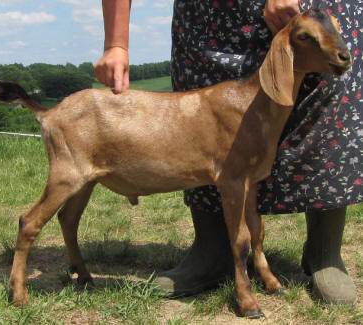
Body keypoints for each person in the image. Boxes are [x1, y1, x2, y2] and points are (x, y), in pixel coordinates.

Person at [95, 0, 361, 305]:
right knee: (203, 128)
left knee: (324, 109)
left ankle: (324, 252)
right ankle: (212, 250)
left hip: (301, 11)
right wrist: (116, 42)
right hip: (210, 20)